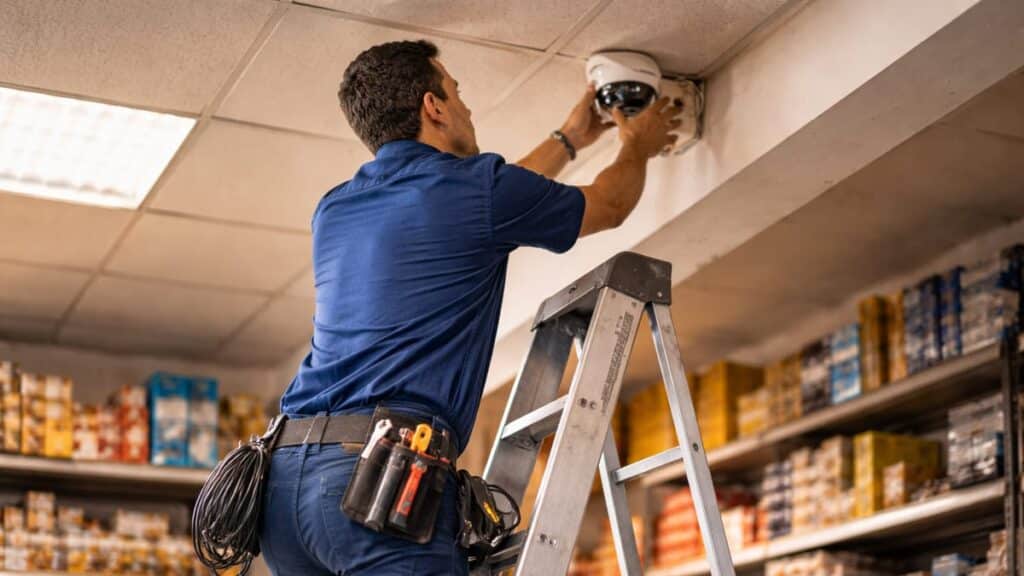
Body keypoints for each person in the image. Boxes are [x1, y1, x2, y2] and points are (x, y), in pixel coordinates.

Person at [259, 39, 680, 575]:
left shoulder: (335, 207)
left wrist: (570, 139)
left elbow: (490, 199)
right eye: (457, 93)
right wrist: (637, 146)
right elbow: (611, 206)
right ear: (433, 107)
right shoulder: (475, 190)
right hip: (373, 484)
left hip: (284, 488)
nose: (467, 106)